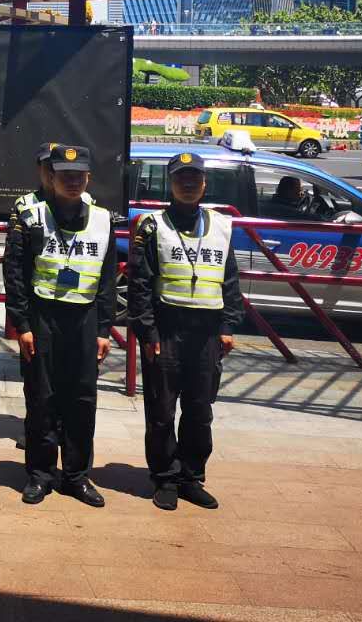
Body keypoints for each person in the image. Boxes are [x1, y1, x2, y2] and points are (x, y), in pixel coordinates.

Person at [128, 151, 244, 511]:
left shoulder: (221, 226)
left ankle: (191, 477)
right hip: (167, 329)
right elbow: (139, 284)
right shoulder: (153, 226)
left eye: (194, 177)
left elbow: (230, 280)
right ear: (171, 183)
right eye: (181, 178)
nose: (189, 183)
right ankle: (165, 477)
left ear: (204, 183)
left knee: (199, 410)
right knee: (161, 410)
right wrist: (147, 333)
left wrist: (228, 325)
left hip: (206, 333)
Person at [2, 145, 116, 506]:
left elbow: (108, 280)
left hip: (84, 321)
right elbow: (15, 273)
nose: (72, 181)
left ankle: (77, 476)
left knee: (82, 401)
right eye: (64, 175)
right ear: (51, 177)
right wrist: (22, 324)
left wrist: (104, 329)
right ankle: (40, 474)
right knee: (41, 399)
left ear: (88, 178)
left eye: (78, 175)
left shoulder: (102, 219)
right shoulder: (31, 217)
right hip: (43, 318)